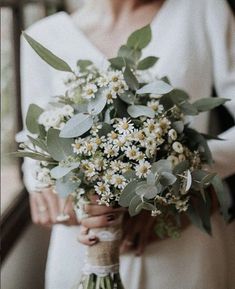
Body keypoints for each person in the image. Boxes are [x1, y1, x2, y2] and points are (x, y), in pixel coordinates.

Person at [20, 0, 235, 288]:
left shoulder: (203, 10)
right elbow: (33, 139)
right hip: (81, 245)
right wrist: (44, 185)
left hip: (176, 238)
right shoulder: (44, 35)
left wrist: (182, 179)